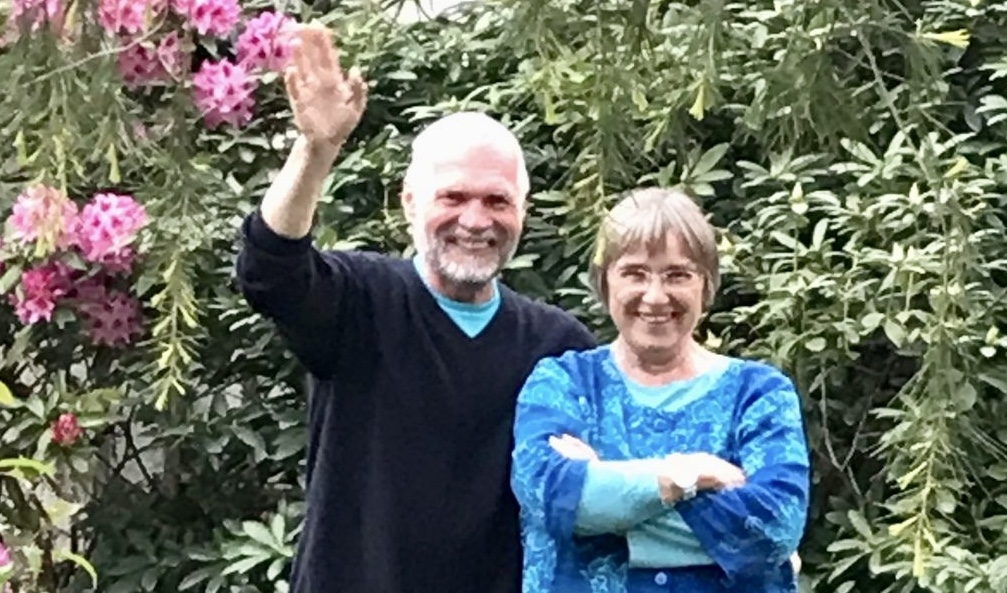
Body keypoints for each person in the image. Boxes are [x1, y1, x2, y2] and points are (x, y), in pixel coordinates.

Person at [234, 23, 596, 593]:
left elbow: (597, 497)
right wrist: (317, 151)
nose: (475, 220)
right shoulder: (359, 303)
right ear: (409, 203)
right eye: (453, 196)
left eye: (497, 200)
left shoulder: (558, 348)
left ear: (523, 211)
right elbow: (270, 268)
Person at [510, 187, 810, 592]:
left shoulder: (759, 394)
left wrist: (606, 493)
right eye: (634, 273)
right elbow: (548, 494)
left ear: (706, 285)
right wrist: (689, 476)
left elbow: (774, 528)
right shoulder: (563, 383)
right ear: (604, 282)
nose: (655, 296)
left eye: (677, 275)